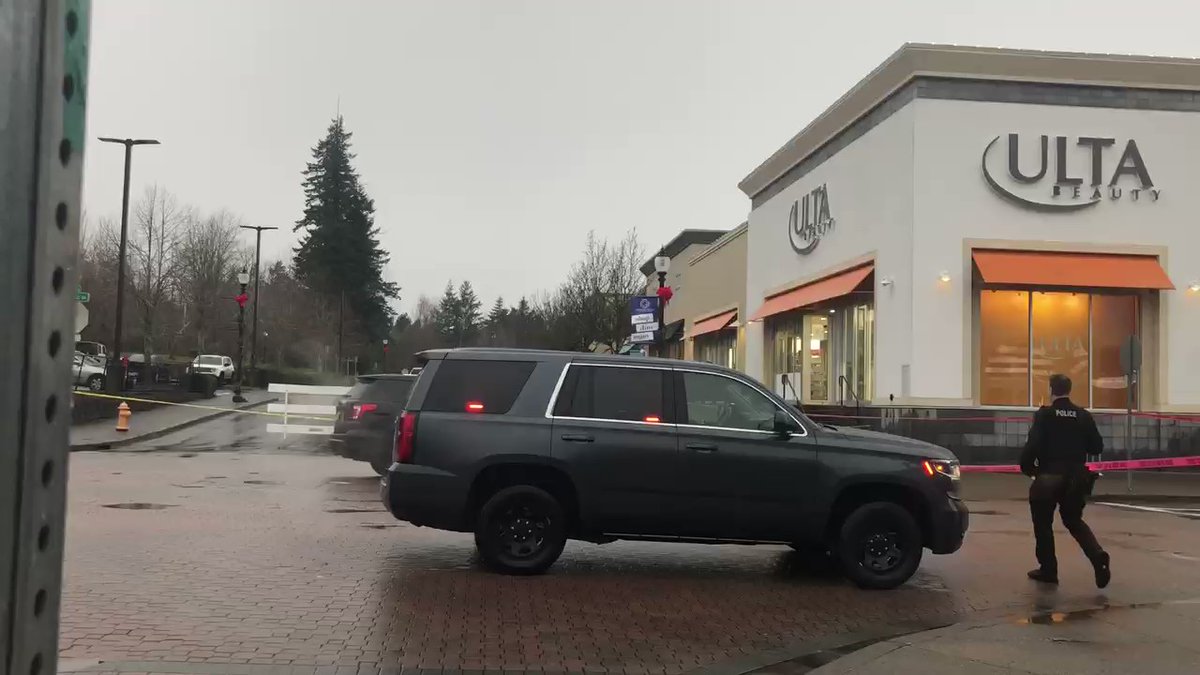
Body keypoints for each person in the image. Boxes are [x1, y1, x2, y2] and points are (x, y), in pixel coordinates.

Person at [1020, 373, 1111, 588]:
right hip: (1076, 478)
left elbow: (1033, 444)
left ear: (1051, 390)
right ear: (1069, 390)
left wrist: (1028, 468)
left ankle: (1048, 570)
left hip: (1048, 477)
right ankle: (1097, 555)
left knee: (1043, 524)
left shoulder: (1045, 415)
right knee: (1073, 520)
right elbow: (1096, 447)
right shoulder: (1083, 415)